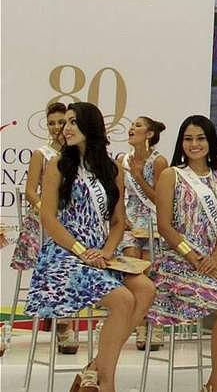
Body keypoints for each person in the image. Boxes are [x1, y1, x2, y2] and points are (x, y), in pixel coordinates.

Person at [25, 102, 156, 391]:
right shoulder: (59, 164)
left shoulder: (112, 169)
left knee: (146, 290)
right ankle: (105, 382)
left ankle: (92, 370)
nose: (65, 128)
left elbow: (119, 222)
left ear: (90, 127)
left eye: (73, 122)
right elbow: (48, 217)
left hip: (102, 254)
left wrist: (107, 251)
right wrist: (82, 251)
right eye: (65, 122)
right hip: (65, 256)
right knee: (123, 300)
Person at [149, 115, 217, 392]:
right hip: (177, 263)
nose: (194, 144)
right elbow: (164, 226)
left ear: (211, 141)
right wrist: (192, 257)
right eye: (188, 139)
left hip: (212, 261)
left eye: (200, 138)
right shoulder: (172, 175)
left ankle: (214, 380)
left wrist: (216, 257)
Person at [13, 102, 80, 355]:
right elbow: (31, 192)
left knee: (74, 261)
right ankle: (62, 325)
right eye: (51, 123)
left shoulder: (77, 154)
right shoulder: (42, 153)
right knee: (57, 258)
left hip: (71, 220)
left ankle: (64, 324)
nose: (56, 128)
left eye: (61, 122)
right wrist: (49, 212)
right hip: (43, 219)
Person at [117, 116, 168, 351]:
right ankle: (137, 322)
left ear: (149, 134)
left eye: (138, 125)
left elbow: (161, 200)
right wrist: (121, 219)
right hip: (129, 221)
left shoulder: (159, 162)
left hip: (153, 222)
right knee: (130, 265)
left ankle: (152, 323)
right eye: (132, 125)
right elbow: (117, 195)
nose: (131, 128)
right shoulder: (122, 160)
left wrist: (138, 177)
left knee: (149, 272)